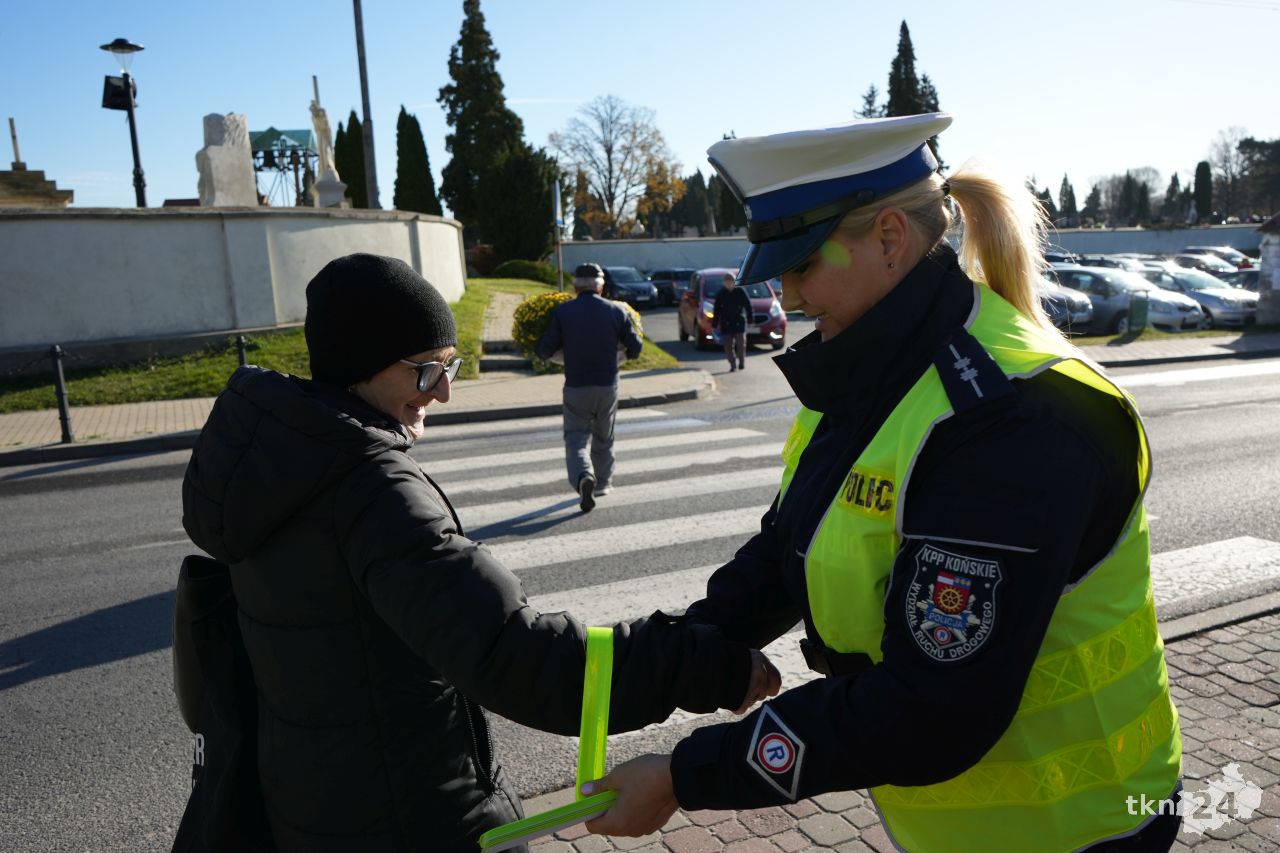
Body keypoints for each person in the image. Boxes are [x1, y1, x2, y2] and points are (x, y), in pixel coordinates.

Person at [582, 114, 1183, 852]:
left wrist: (688, 774)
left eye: (803, 265)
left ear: (891, 238)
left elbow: (930, 709)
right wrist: (670, 662)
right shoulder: (873, 367)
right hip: (961, 828)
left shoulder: (1011, 421)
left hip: (1079, 827)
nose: (789, 297)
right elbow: (789, 548)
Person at [181, 253, 778, 852]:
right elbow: (516, 655)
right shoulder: (371, 492)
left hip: (316, 806)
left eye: (450, 367)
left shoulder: (277, 464)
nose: (443, 392)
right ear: (361, 365)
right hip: (413, 819)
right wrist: (701, 667)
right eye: (426, 372)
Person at [535, 262, 643, 512]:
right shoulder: (616, 311)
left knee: (576, 438)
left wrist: (562, 356)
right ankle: (603, 483)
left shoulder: (563, 312)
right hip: (607, 384)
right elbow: (636, 348)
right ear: (601, 287)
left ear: (575, 287)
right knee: (604, 435)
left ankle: (584, 476)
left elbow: (544, 350)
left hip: (576, 385)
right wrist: (619, 356)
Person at [712, 272, 752, 371]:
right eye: (727, 282)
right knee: (728, 346)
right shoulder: (721, 294)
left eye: (731, 282)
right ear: (724, 283)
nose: (729, 284)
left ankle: (741, 362)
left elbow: (748, 306)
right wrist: (714, 324)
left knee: (741, 344)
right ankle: (732, 364)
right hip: (726, 323)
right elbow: (716, 310)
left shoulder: (740, 291)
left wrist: (750, 320)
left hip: (739, 322)